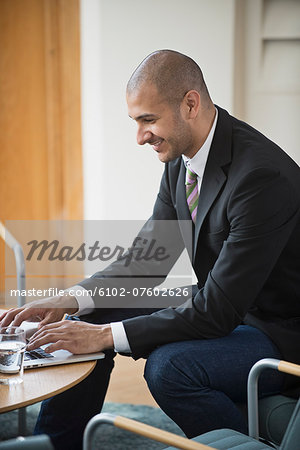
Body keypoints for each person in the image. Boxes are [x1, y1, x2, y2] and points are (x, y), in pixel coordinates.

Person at [1, 50, 300, 450]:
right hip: (230, 306)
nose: (140, 136)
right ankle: (58, 443)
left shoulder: (261, 176)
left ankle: (249, 444)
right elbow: (146, 260)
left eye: (148, 120)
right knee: (95, 305)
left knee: (169, 368)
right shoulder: (182, 158)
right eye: (136, 121)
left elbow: (216, 312)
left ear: (190, 104)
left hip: (279, 333)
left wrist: (104, 337)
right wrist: (68, 299)